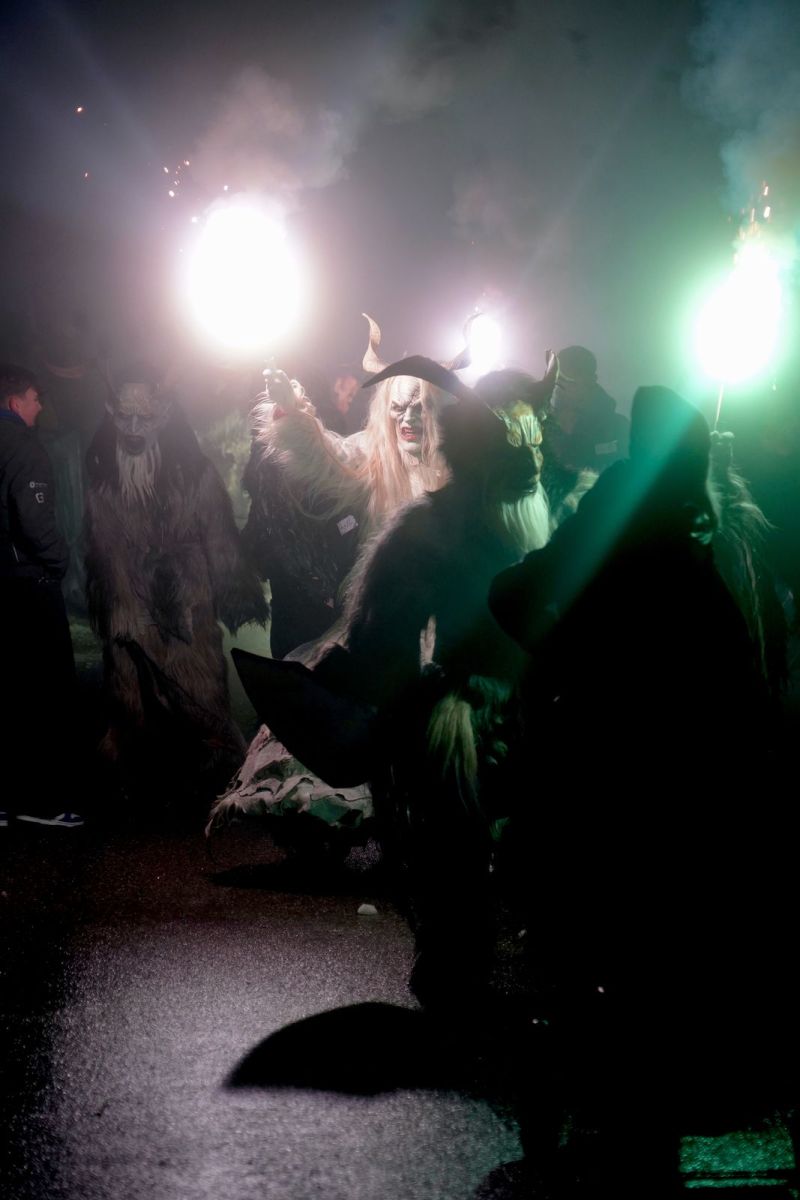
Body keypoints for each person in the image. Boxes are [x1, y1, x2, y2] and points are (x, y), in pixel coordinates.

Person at [489, 386, 792, 1196]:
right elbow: (742, 680)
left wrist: (557, 656)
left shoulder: (634, 517)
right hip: (666, 779)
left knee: (605, 936)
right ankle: (637, 1103)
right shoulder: (695, 539)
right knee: (651, 944)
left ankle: (610, 1101)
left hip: (608, 768)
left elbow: (515, 594)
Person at [84, 363, 268, 803]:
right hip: (131, 602)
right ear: (111, 413)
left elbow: (218, 533)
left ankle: (213, 771)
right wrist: (117, 607)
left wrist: (235, 589)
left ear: (162, 416)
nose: (133, 429)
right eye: (124, 417)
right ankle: (139, 777)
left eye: (143, 417)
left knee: (197, 688)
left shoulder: (193, 472)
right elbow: (100, 547)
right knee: (133, 693)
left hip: (187, 601)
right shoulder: (102, 478)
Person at [240, 315, 460, 659]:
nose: (407, 420)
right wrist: (291, 408)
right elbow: (328, 457)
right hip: (381, 610)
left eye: (419, 409)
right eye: (398, 409)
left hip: (447, 608)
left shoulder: (462, 462)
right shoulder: (373, 453)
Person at [0, 364, 83, 828]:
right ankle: (42, 803)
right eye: (34, 398)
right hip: (27, 585)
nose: (39, 406)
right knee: (46, 693)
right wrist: (59, 559)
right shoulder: (23, 446)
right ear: (15, 403)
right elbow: (33, 521)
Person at [545, 344, 629, 474]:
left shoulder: (618, 428)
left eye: (571, 381)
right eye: (558, 380)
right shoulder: (543, 425)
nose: (561, 387)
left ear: (591, 380)